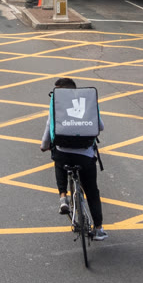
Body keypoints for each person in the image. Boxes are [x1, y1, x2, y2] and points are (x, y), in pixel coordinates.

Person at [40, 76, 106, 238]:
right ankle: (99, 229)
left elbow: (49, 127)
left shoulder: (57, 105)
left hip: (63, 153)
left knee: (58, 161)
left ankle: (63, 197)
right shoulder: (87, 103)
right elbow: (100, 126)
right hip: (85, 155)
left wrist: (44, 146)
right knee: (92, 191)